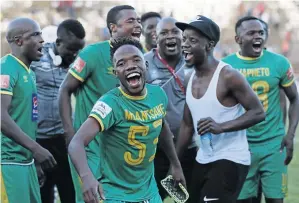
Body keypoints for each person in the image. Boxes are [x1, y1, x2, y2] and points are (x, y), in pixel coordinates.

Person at [68, 37, 185, 203]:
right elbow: (76, 143)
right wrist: (87, 178)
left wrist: (175, 164)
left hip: (149, 193)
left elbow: (162, 127)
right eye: (121, 63)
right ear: (115, 73)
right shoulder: (110, 103)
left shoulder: (158, 95)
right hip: (115, 195)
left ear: (146, 65)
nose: (130, 66)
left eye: (136, 60)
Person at [175, 15, 266, 203]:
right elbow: (186, 125)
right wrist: (174, 163)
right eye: (184, 39)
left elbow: (258, 112)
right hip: (203, 158)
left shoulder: (229, 76)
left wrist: (221, 126)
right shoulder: (188, 78)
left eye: (192, 40)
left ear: (209, 45)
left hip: (231, 159)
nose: (185, 45)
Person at [58, 5, 142, 203]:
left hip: (123, 151)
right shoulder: (92, 53)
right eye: (131, 21)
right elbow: (64, 90)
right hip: (90, 149)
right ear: (113, 28)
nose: (138, 25)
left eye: (139, 20)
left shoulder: (140, 54)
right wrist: (70, 133)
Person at [222, 16, 299, 203]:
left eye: (261, 33)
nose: (257, 37)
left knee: (275, 200)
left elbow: (295, 98)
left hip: (274, 144)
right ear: (238, 39)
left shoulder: (279, 63)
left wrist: (290, 135)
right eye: (251, 33)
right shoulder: (225, 66)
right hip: (241, 146)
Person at [1, 17, 56, 203]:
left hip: (27, 162)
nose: (42, 40)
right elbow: (1, 117)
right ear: (19, 41)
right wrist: (36, 148)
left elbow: (27, 118)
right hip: (8, 162)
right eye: (36, 35)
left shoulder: (30, 73)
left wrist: (33, 157)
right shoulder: (5, 69)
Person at [30, 19, 85, 203]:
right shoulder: (36, 57)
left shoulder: (80, 62)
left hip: (64, 137)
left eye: (78, 50)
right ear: (58, 42)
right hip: (39, 139)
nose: (74, 54)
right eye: (70, 50)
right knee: (44, 194)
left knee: (69, 193)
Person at [145, 17, 197, 200]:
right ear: (154, 36)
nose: (170, 37)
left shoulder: (194, 61)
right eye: (164, 33)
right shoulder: (144, 63)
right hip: (155, 150)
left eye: (175, 32)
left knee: (189, 199)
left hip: (190, 148)